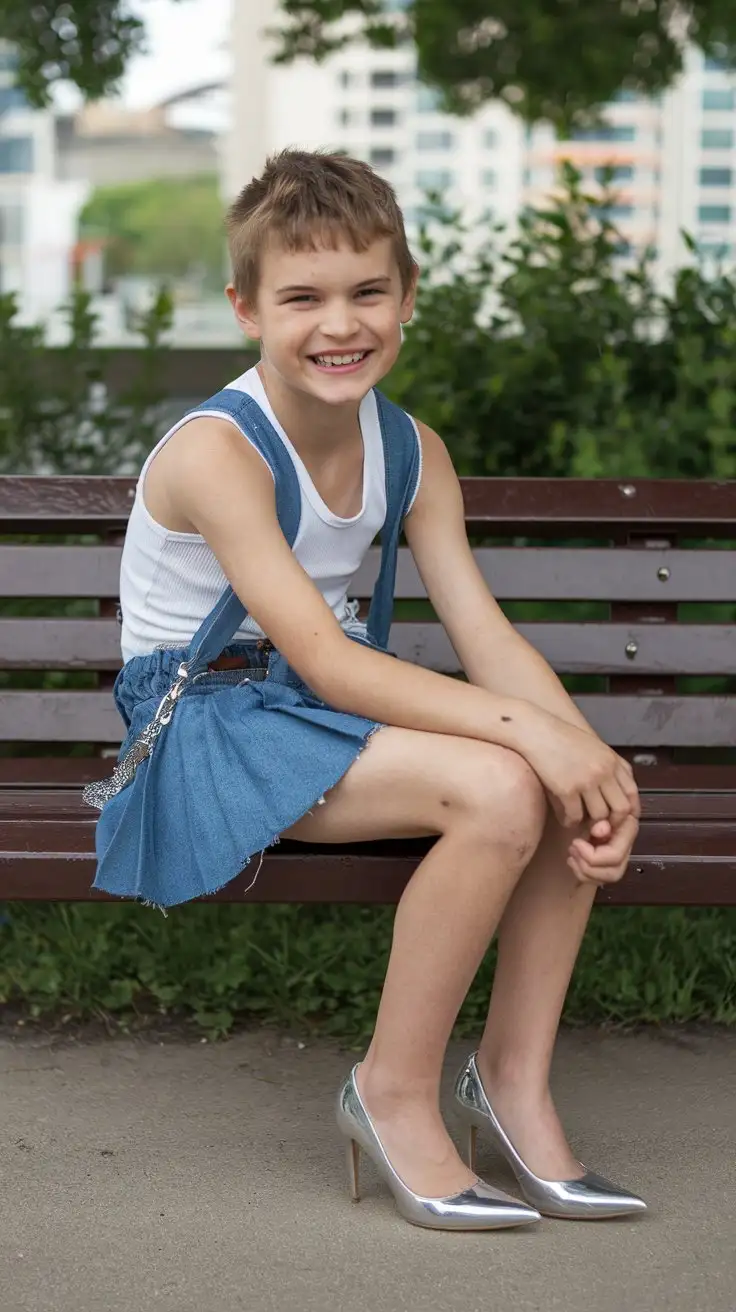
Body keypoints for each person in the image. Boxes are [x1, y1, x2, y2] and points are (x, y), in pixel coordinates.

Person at [89, 149, 646, 1232]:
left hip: (309, 713)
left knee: (564, 777)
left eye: (365, 293)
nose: (336, 324)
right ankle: (391, 1092)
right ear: (247, 307)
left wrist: (590, 756)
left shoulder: (411, 449)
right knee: (501, 782)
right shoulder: (218, 451)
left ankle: (514, 1083)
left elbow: (482, 634)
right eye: (300, 296)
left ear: (407, 297)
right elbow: (337, 662)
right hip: (203, 728)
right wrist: (541, 736)